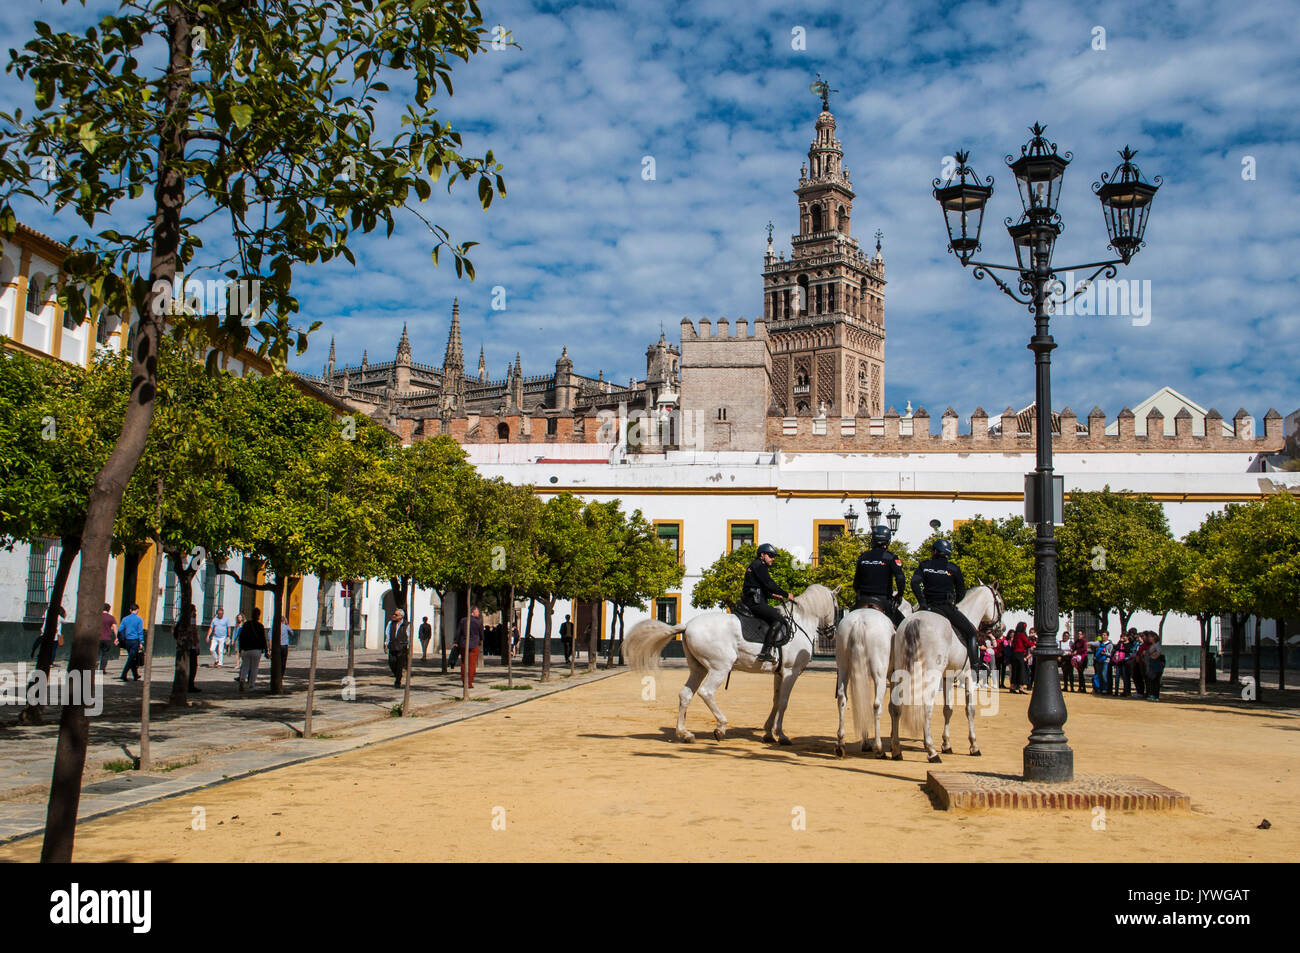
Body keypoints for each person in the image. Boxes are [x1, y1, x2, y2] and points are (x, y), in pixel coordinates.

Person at [911, 539, 981, 671]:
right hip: (946, 608)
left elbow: (914, 583)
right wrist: (955, 602)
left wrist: (922, 602)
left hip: (928, 607)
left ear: (935, 551)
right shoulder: (953, 568)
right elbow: (961, 592)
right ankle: (976, 666)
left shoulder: (925, 565)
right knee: (971, 633)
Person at [743, 542, 793, 663]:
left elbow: (757, 586)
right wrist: (787, 594)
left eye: (774, 556)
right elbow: (769, 583)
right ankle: (765, 651)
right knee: (779, 619)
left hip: (755, 599)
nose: (773, 559)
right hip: (756, 603)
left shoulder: (755, 565)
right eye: (771, 555)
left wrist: (772, 595)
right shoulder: (759, 565)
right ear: (762, 555)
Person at [852, 524, 906, 626]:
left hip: (862, 600)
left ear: (872, 540)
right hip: (883, 600)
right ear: (888, 541)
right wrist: (899, 594)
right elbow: (900, 578)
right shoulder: (891, 557)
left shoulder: (863, 557)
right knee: (903, 626)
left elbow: (856, 583)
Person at [236, 607, 268, 691]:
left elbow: (241, 637)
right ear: (259, 615)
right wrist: (266, 651)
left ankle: (242, 680)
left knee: (245, 666)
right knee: (254, 667)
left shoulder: (246, 624)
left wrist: (240, 648)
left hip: (246, 649)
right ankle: (251, 685)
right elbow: (263, 639)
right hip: (256, 649)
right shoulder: (260, 626)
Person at [456, 605, 484, 689]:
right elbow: (481, 633)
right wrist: (481, 639)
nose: (478, 613)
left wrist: (456, 641)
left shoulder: (463, 620)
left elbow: (458, 632)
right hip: (474, 644)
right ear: (473, 612)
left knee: (464, 663)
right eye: (477, 611)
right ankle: (469, 682)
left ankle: (464, 680)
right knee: (472, 664)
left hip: (463, 644)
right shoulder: (478, 622)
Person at [176, 604, 202, 693]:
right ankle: (190, 685)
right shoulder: (192, 619)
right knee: (193, 666)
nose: (195, 612)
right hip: (190, 646)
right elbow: (193, 631)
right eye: (194, 611)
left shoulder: (182, 620)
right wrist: (196, 643)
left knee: (186, 666)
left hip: (184, 645)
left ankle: (186, 684)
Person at [118, 603, 145, 681]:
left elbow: (120, 630)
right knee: (131, 658)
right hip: (135, 641)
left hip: (127, 641)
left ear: (130, 610)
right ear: (137, 610)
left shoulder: (125, 619)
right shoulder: (139, 619)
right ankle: (123, 674)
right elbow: (140, 632)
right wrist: (141, 642)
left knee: (132, 657)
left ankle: (135, 675)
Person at [385, 609, 410, 688]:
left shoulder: (406, 625)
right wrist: (386, 644)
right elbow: (387, 634)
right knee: (391, 662)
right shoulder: (390, 623)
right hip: (392, 646)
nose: (394, 616)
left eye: (396, 615)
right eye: (394, 614)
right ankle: (397, 675)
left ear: (401, 616)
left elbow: (409, 636)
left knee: (399, 664)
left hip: (401, 647)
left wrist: (408, 647)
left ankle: (397, 681)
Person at [1009, 622, 1032, 693]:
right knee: (1021, 671)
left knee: (1015, 671)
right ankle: (1021, 688)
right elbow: (1027, 643)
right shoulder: (1021, 635)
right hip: (1020, 654)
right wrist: (1034, 644)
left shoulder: (1016, 635)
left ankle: (1012, 687)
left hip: (1014, 654)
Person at [1144, 633, 1165, 701]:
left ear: (1154, 637)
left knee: (1155, 680)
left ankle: (1156, 696)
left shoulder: (1157, 645)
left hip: (1156, 664)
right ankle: (1152, 695)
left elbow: (1158, 653)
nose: (1149, 638)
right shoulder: (1152, 645)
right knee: (1152, 680)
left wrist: (1152, 656)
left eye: (1150, 637)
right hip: (1152, 664)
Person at [99, 603, 117, 675]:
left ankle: (93, 668)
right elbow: (115, 628)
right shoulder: (111, 618)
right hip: (107, 639)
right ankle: (102, 669)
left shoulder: (98, 617)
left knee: (96, 654)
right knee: (105, 654)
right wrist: (117, 638)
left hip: (98, 638)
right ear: (109, 609)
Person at [1094, 630, 1114, 695]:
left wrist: (1104, 653)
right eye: (1102, 635)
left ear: (1107, 636)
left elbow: (1111, 654)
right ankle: (1100, 688)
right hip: (1099, 661)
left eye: (1104, 635)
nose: (1103, 636)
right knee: (1099, 675)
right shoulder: (1100, 643)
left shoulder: (1110, 644)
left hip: (1106, 661)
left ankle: (1106, 689)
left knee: (1104, 675)